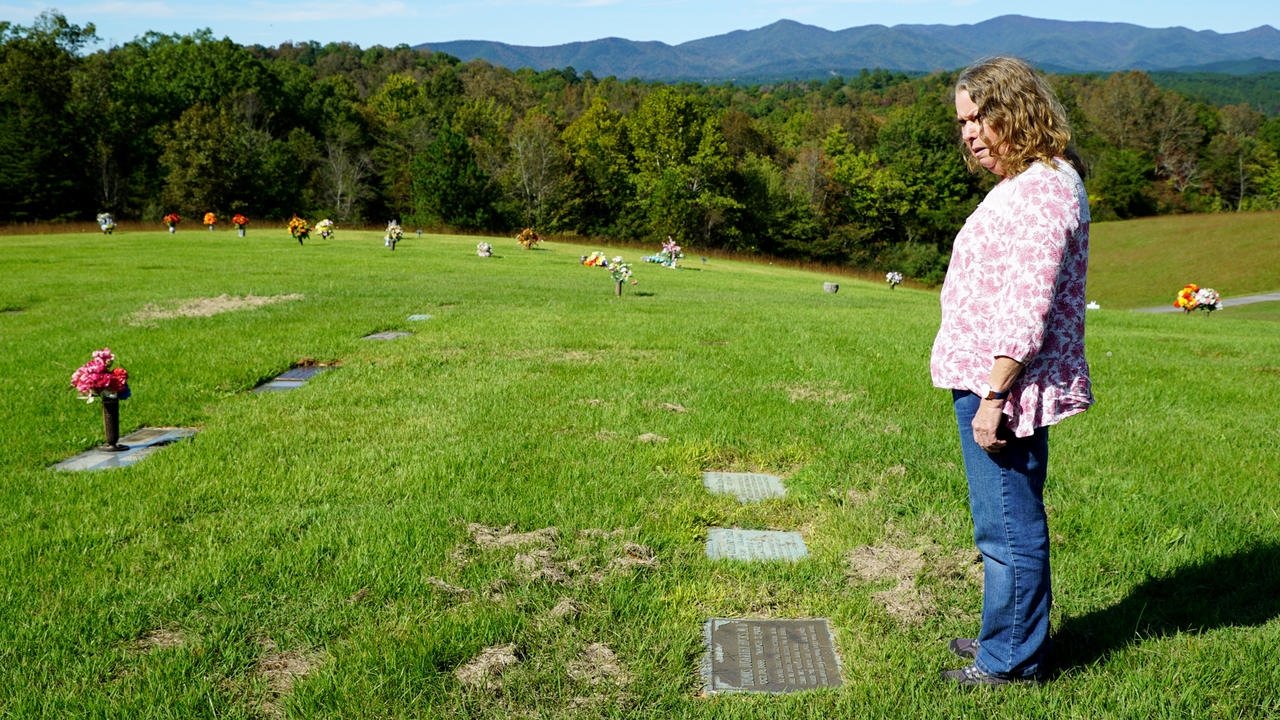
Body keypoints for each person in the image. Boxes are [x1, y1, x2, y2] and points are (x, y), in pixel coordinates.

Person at [930, 56, 1093, 687]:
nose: (968, 133)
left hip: (1004, 387)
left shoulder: (1042, 190)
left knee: (1007, 529)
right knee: (999, 522)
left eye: (977, 118)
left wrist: (995, 394)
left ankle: (1010, 663)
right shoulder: (1032, 182)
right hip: (988, 379)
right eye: (963, 122)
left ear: (1012, 111)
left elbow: (1028, 303)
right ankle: (1003, 637)